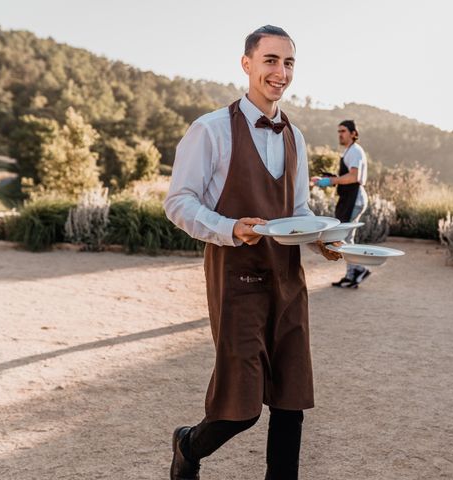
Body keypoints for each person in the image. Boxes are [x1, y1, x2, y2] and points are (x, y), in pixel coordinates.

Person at [164, 25, 338, 480]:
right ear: (247, 64)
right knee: (240, 409)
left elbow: (298, 210)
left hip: (287, 276)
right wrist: (229, 227)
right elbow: (178, 201)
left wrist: (321, 237)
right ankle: (188, 445)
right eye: (271, 61)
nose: (280, 72)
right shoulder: (210, 129)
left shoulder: (295, 137)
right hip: (236, 278)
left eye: (289, 63)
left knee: (290, 403)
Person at [311, 120, 370, 288]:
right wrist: (326, 180)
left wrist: (329, 181)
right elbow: (345, 178)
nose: (340, 134)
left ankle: (360, 268)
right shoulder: (349, 151)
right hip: (350, 199)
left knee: (341, 238)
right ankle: (351, 275)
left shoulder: (355, 151)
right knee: (346, 238)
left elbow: (353, 177)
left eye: (343, 131)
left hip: (354, 200)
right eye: (338, 131)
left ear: (353, 133)